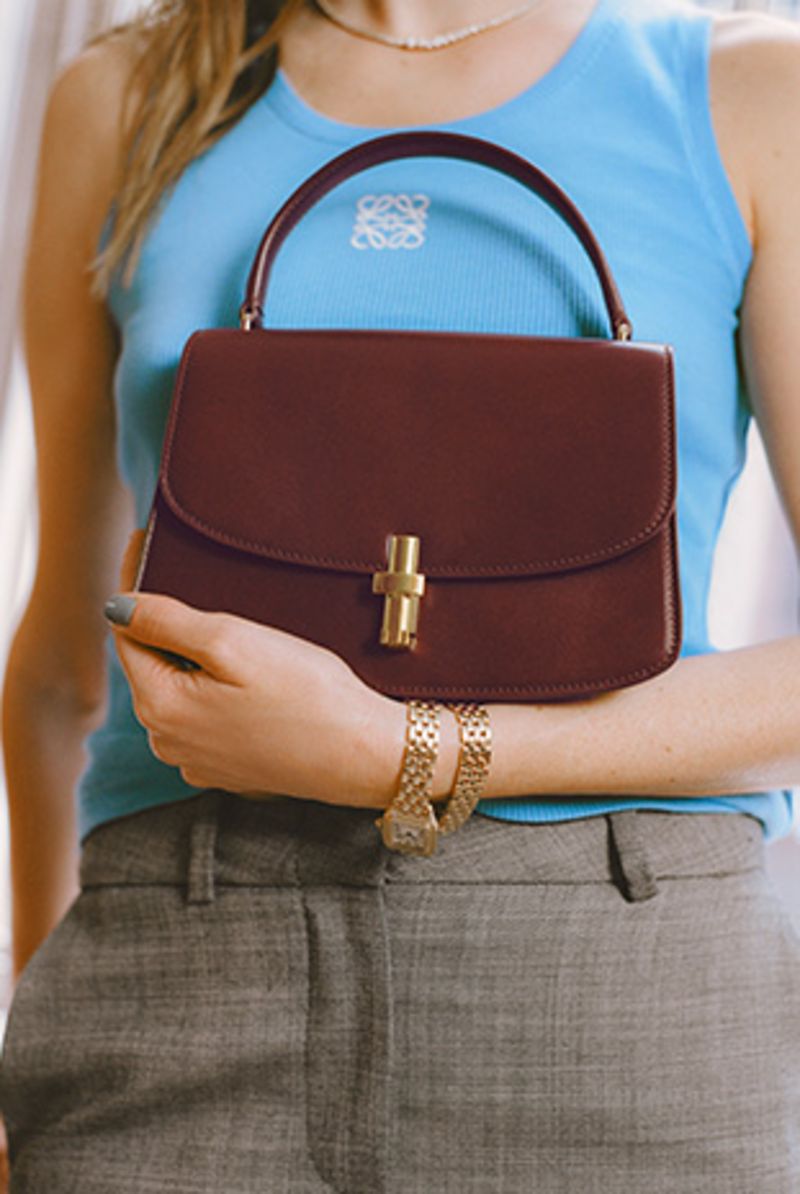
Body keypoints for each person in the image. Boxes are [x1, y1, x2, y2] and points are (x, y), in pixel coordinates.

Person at [1, 0, 799, 1189]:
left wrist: (409, 748)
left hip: (622, 983)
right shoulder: (126, 94)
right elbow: (62, 656)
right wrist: (30, 1021)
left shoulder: (748, 90)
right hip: (178, 948)